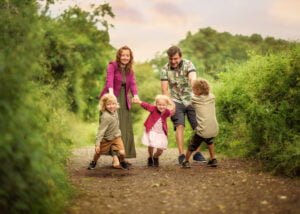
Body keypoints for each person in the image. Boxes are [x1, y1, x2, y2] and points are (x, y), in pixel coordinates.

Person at [160, 46, 206, 164]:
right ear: (168, 58)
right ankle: (181, 154)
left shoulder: (189, 64)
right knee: (179, 125)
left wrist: (195, 90)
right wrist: (170, 104)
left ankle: (197, 153)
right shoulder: (164, 69)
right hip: (175, 100)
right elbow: (165, 90)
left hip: (191, 98)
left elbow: (192, 79)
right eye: (171, 59)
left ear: (180, 57)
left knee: (197, 126)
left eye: (176, 58)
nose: (173, 61)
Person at [99, 46, 140, 164]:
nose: (125, 57)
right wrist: (111, 95)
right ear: (119, 56)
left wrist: (135, 95)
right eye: (123, 55)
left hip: (124, 100)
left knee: (124, 128)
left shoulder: (130, 70)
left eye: (127, 55)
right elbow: (109, 80)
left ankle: (122, 156)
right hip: (111, 99)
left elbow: (133, 84)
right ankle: (115, 157)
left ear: (130, 57)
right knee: (113, 127)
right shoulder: (112, 66)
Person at [181, 79, 219, 168]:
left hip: (202, 129)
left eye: (193, 89)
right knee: (210, 141)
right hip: (213, 128)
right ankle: (213, 159)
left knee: (192, 145)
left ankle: (186, 161)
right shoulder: (212, 97)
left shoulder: (195, 99)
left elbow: (186, 100)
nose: (192, 91)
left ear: (197, 90)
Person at [88, 94, 129, 170]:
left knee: (122, 153)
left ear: (116, 104)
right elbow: (101, 131)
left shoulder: (115, 111)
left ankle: (122, 161)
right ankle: (93, 162)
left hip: (116, 137)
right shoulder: (105, 117)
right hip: (106, 138)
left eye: (113, 104)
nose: (111, 106)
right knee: (98, 152)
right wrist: (97, 144)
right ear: (104, 105)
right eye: (108, 104)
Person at [134, 95, 175, 167]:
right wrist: (139, 101)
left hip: (161, 133)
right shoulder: (153, 109)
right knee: (151, 145)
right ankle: (150, 157)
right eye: (159, 104)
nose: (161, 106)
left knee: (161, 149)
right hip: (151, 131)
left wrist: (171, 104)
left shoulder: (167, 112)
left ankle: (155, 157)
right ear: (156, 104)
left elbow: (172, 111)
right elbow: (146, 105)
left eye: (163, 105)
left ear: (166, 105)